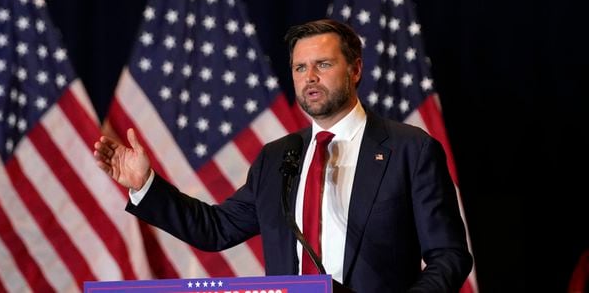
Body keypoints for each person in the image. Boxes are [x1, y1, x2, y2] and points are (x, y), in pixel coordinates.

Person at [94, 18, 473, 292]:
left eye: (323, 65)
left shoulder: (408, 148)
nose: (310, 77)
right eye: (299, 67)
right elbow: (215, 229)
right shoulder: (278, 158)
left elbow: (449, 257)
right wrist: (146, 186)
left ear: (355, 69)